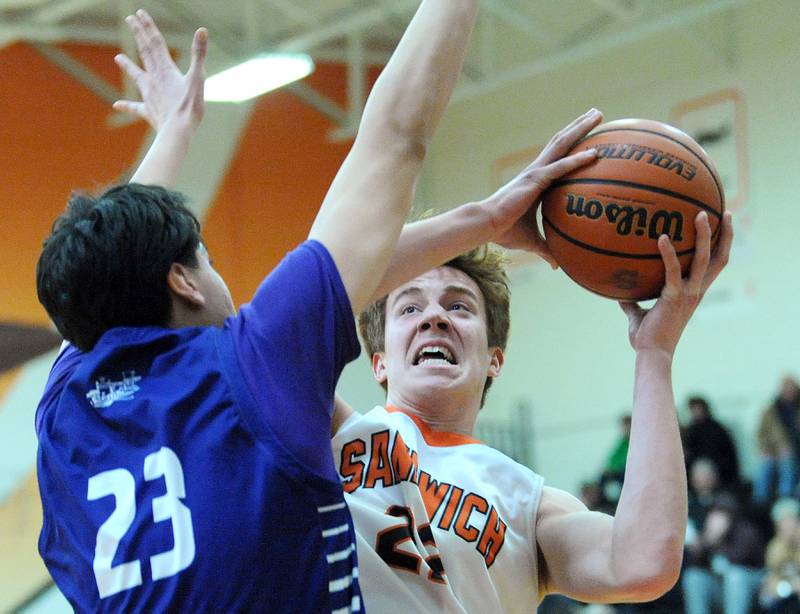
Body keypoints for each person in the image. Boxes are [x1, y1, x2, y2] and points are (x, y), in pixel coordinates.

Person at [33, 4, 500, 610]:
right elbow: (396, 139)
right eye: (207, 259)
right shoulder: (251, 362)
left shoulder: (63, 406)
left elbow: (96, 276)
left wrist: (174, 131)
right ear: (183, 281)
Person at [331, 173, 734, 607]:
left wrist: (655, 353)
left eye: (458, 305)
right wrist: (480, 220)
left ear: (494, 359)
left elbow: (641, 562)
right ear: (380, 361)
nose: (435, 317)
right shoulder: (326, 434)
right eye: (409, 306)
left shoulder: (528, 501)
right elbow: (292, 308)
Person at [682, 493, 766, 614]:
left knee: (735, 575)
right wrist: (708, 541)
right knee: (693, 577)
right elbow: (695, 562)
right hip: (722, 589)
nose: (718, 518)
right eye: (715, 513)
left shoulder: (746, 531)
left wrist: (719, 539)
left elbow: (739, 560)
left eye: (723, 513)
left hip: (750, 588)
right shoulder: (709, 533)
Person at [756, 376, 800, 505]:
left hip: (794, 450)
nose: (788, 392)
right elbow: (761, 435)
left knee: (787, 459)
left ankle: (784, 497)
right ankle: (760, 501)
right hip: (776, 450)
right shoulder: (770, 411)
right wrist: (767, 449)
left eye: (791, 388)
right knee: (765, 464)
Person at [683, 395, 740, 489]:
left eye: (698, 408)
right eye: (693, 409)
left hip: (718, 469)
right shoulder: (690, 430)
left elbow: (727, 455)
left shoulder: (717, 429)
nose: (696, 412)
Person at [760, 498, 800, 612]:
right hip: (787, 593)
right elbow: (772, 582)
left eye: (789, 520)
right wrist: (788, 587)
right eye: (780, 522)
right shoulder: (775, 546)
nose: (785, 525)